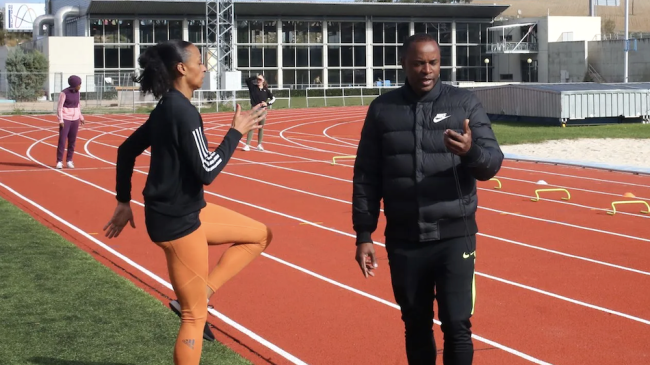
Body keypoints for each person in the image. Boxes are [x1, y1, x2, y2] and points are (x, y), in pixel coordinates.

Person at [102, 39, 272, 365]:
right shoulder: (183, 112)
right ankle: (194, 303)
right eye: (200, 62)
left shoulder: (167, 107)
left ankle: (199, 295)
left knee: (261, 234)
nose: (205, 68)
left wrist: (124, 201)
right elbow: (207, 171)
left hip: (186, 212)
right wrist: (235, 132)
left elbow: (126, 151)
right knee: (195, 319)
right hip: (178, 224)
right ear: (183, 69)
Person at [351, 33, 503, 365]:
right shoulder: (382, 110)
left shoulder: (464, 104)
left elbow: (492, 162)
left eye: (433, 62)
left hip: (454, 236)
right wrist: (364, 233)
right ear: (404, 63)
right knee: (415, 325)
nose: (426, 70)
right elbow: (366, 175)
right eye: (419, 63)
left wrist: (471, 152)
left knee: (457, 325)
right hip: (404, 238)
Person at [56, 75, 85, 169]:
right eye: (79, 84)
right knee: (62, 140)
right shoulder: (64, 93)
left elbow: (78, 106)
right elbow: (59, 107)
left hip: (75, 119)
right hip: (65, 119)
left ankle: (69, 160)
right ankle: (59, 161)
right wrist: (60, 119)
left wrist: (81, 117)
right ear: (74, 84)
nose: (80, 85)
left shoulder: (78, 93)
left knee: (72, 141)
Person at [242, 73, 275, 151]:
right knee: (252, 126)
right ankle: (247, 145)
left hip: (263, 111)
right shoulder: (253, 87)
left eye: (260, 79)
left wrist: (267, 103)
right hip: (254, 110)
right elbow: (247, 80)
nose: (258, 81)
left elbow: (273, 98)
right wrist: (255, 76)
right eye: (257, 79)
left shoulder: (266, 90)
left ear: (263, 80)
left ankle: (259, 144)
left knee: (261, 127)